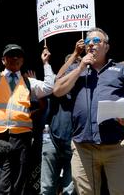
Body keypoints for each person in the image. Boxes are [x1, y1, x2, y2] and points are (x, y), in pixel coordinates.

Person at [52, 27, 124, 195]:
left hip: (117, 146)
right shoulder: (77, 70)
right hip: (83, 147)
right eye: (87, 42)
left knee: (123, 191)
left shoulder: (121, 70)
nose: (91, 44)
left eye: (96, 41)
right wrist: (79, 68)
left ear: (106, 46)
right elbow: (57, 90)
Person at [0, 43, 55, 195]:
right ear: (3, 60)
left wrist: (46, 63)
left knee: (19, 177)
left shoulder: (28, 82)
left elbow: (49, 88)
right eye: (11, 55)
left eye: (18, 55)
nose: (15, 58)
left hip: (22, 137)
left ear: (22, 61)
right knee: (0, 177)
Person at [41, 46, 85, 195]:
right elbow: (57, 79)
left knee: (70, 189)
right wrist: (74, 54)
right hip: (52, 140)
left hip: (75, 142)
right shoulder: (57, 86)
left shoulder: (84, 87)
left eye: (78, 63)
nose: (75, 66)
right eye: (71, 64)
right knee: (47, 188)